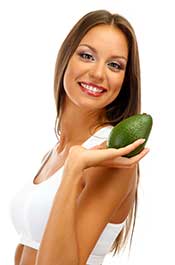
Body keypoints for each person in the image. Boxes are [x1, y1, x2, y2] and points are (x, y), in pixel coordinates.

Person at [10, 9, 150, 265]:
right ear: (66, 58)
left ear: (125, 81)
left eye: (114, 65)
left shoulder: (110, 156)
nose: (98, 73)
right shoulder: (55, 153)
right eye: (87, 56)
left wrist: (74, 167)